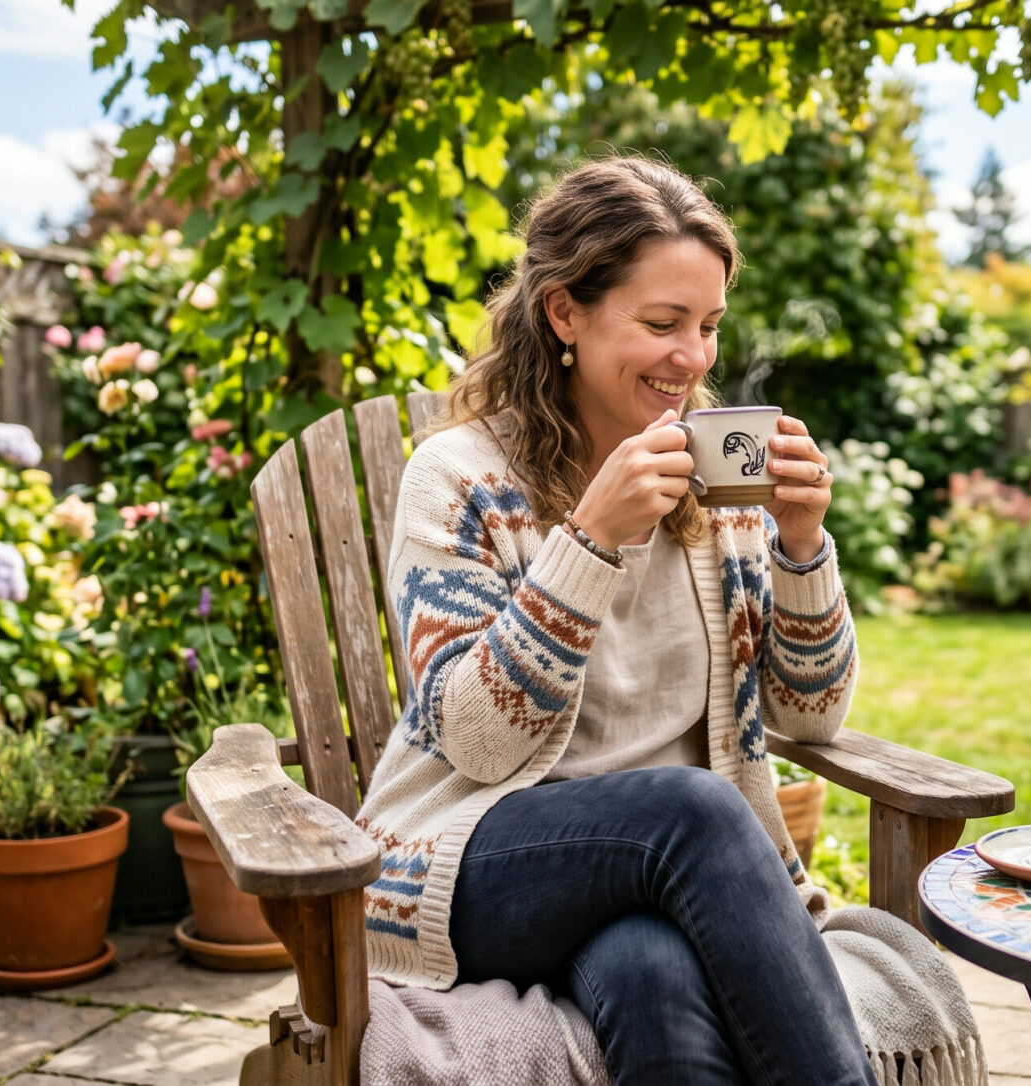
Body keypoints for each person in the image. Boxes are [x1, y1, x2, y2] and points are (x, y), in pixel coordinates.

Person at [352, 156, 871, 1086]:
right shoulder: (459, 480)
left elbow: (810, 716)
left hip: (663, 880)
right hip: (475, 860)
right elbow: (474, 740)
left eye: (709, 326)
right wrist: (590, 541)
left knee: (650, 971)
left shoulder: (721, 479)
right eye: (663, 324)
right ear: (564, 312)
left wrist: (801, 545)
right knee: (693, 808)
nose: (694, 358)